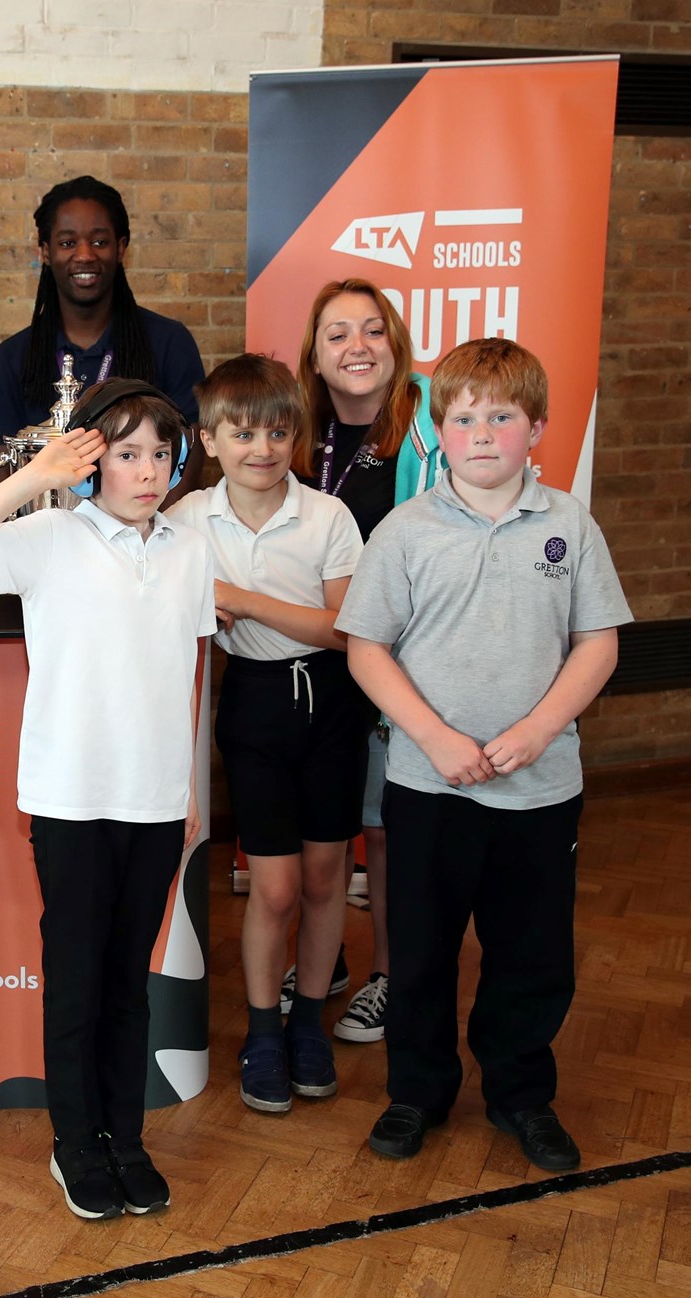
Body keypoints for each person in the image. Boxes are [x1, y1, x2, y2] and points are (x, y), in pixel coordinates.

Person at [334, 338, 630, 1172]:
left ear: (536, 426)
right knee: (421, 949)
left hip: (540, 791)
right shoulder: (405, 530)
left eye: (502, 416)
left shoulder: (569, 523)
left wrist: (539, 730)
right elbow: (367, 650)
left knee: (532, 955)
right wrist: (433, 736)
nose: (484, 434)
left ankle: (521, 1095)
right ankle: (416, 1093)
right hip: (430, 784)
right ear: (441, 429)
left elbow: (597, 644)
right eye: (463, 419)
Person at [0, 379, 215, 1223]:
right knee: (78, 972)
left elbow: (188, 674)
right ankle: (73, 1140)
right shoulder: (50, 536)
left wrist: (187, 790)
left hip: (155, 798)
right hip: (70, 796)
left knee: (130, 976)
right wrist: (34, 477)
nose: (148, 468)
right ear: (90, 459)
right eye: (126, 453)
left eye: (161, 453)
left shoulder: (189, 549)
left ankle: (125, 1137)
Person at [166, 355, 364, 1117]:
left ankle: (307, 1022)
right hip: (252, 705)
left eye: (279, 432)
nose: (263, 448)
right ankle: (261, 1032)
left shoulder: (326, 516)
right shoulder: (186, 521)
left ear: (297, 436)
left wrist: (241, 599)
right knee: (273, 886)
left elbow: (345, 628)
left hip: (332, 701)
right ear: (210, 440)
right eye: (243, 433)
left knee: (324, 880)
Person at [296, 277, 446, 1047]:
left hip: (400, 665)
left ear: (395, 343)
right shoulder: (298, 434)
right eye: (336, 335)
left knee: (383, 831)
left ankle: (389, 972)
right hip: (318, 664)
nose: (356, 347)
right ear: (315, 359)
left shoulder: (434, 432)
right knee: (326, 824)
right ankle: (332, 964)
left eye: (371, 331)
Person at [0, 176, 206, 442]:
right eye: (67, 243)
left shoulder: (170, 343)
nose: (85, 254)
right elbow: (3, 466)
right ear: (45, 252)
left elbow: (189, 457)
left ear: (121, 248)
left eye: (100, 242)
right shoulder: (12, 358)